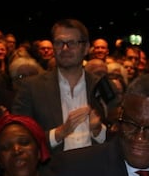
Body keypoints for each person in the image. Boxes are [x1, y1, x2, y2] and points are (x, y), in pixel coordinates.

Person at [12, 19, 109, 155]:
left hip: (95, 169)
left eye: (72, 43)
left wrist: (98, 130)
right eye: (59, 43)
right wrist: (59, 133)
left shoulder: (101, 85)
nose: (65, 48)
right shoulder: (31, 87)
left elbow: (118, 135)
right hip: (51, 172)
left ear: (86, 48)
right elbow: (19, 137)